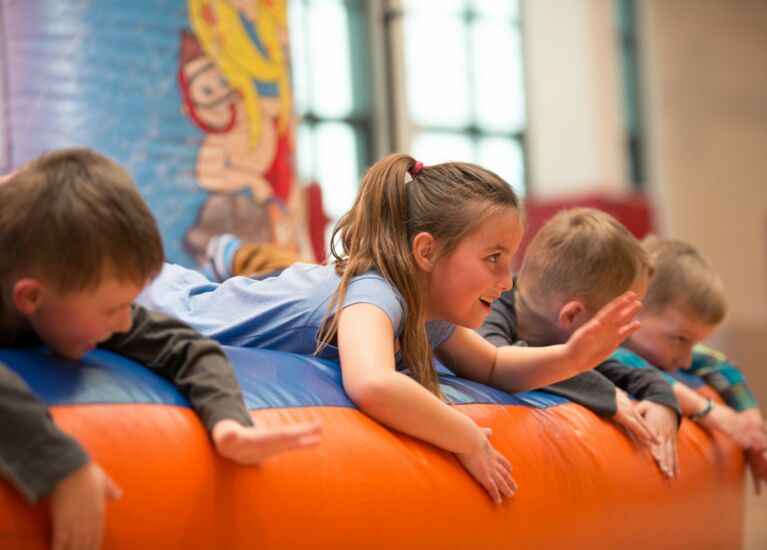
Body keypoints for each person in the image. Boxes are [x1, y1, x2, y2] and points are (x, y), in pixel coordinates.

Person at [138, 153, 643, 503]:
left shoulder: (426, 310)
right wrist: (466, 437)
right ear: (426, 252)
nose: (506, 280)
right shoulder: (376, 292)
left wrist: (572, 358)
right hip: (159, 303)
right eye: (493, 258)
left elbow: (492, 364)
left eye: (510, 260)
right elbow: (373, 382)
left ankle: (228, 253)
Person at [0, 149, 322, 549]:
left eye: (128, 304)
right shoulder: (49, 280)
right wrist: (62, 466)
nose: (125, 323)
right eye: (111, 310)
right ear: (31, 298)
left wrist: (228, 421)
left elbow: (186, 346)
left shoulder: (73, 291)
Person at [478, 208, 681, 477]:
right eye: (619, 323)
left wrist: (662, 399)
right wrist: (604, 392)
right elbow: (497, 359)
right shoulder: (485, 309)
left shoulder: (560, 333)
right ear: (572, 315)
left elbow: (620, 368)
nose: (625, 336)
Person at [616, 236, 767, 493]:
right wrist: (705, 409)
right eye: (679, 339)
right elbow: (621, 360)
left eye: (693, 343)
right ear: (630, 310)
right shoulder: (600, 345)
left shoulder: (668, 344)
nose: (685, 360)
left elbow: (719, 364)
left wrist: (752, 426)